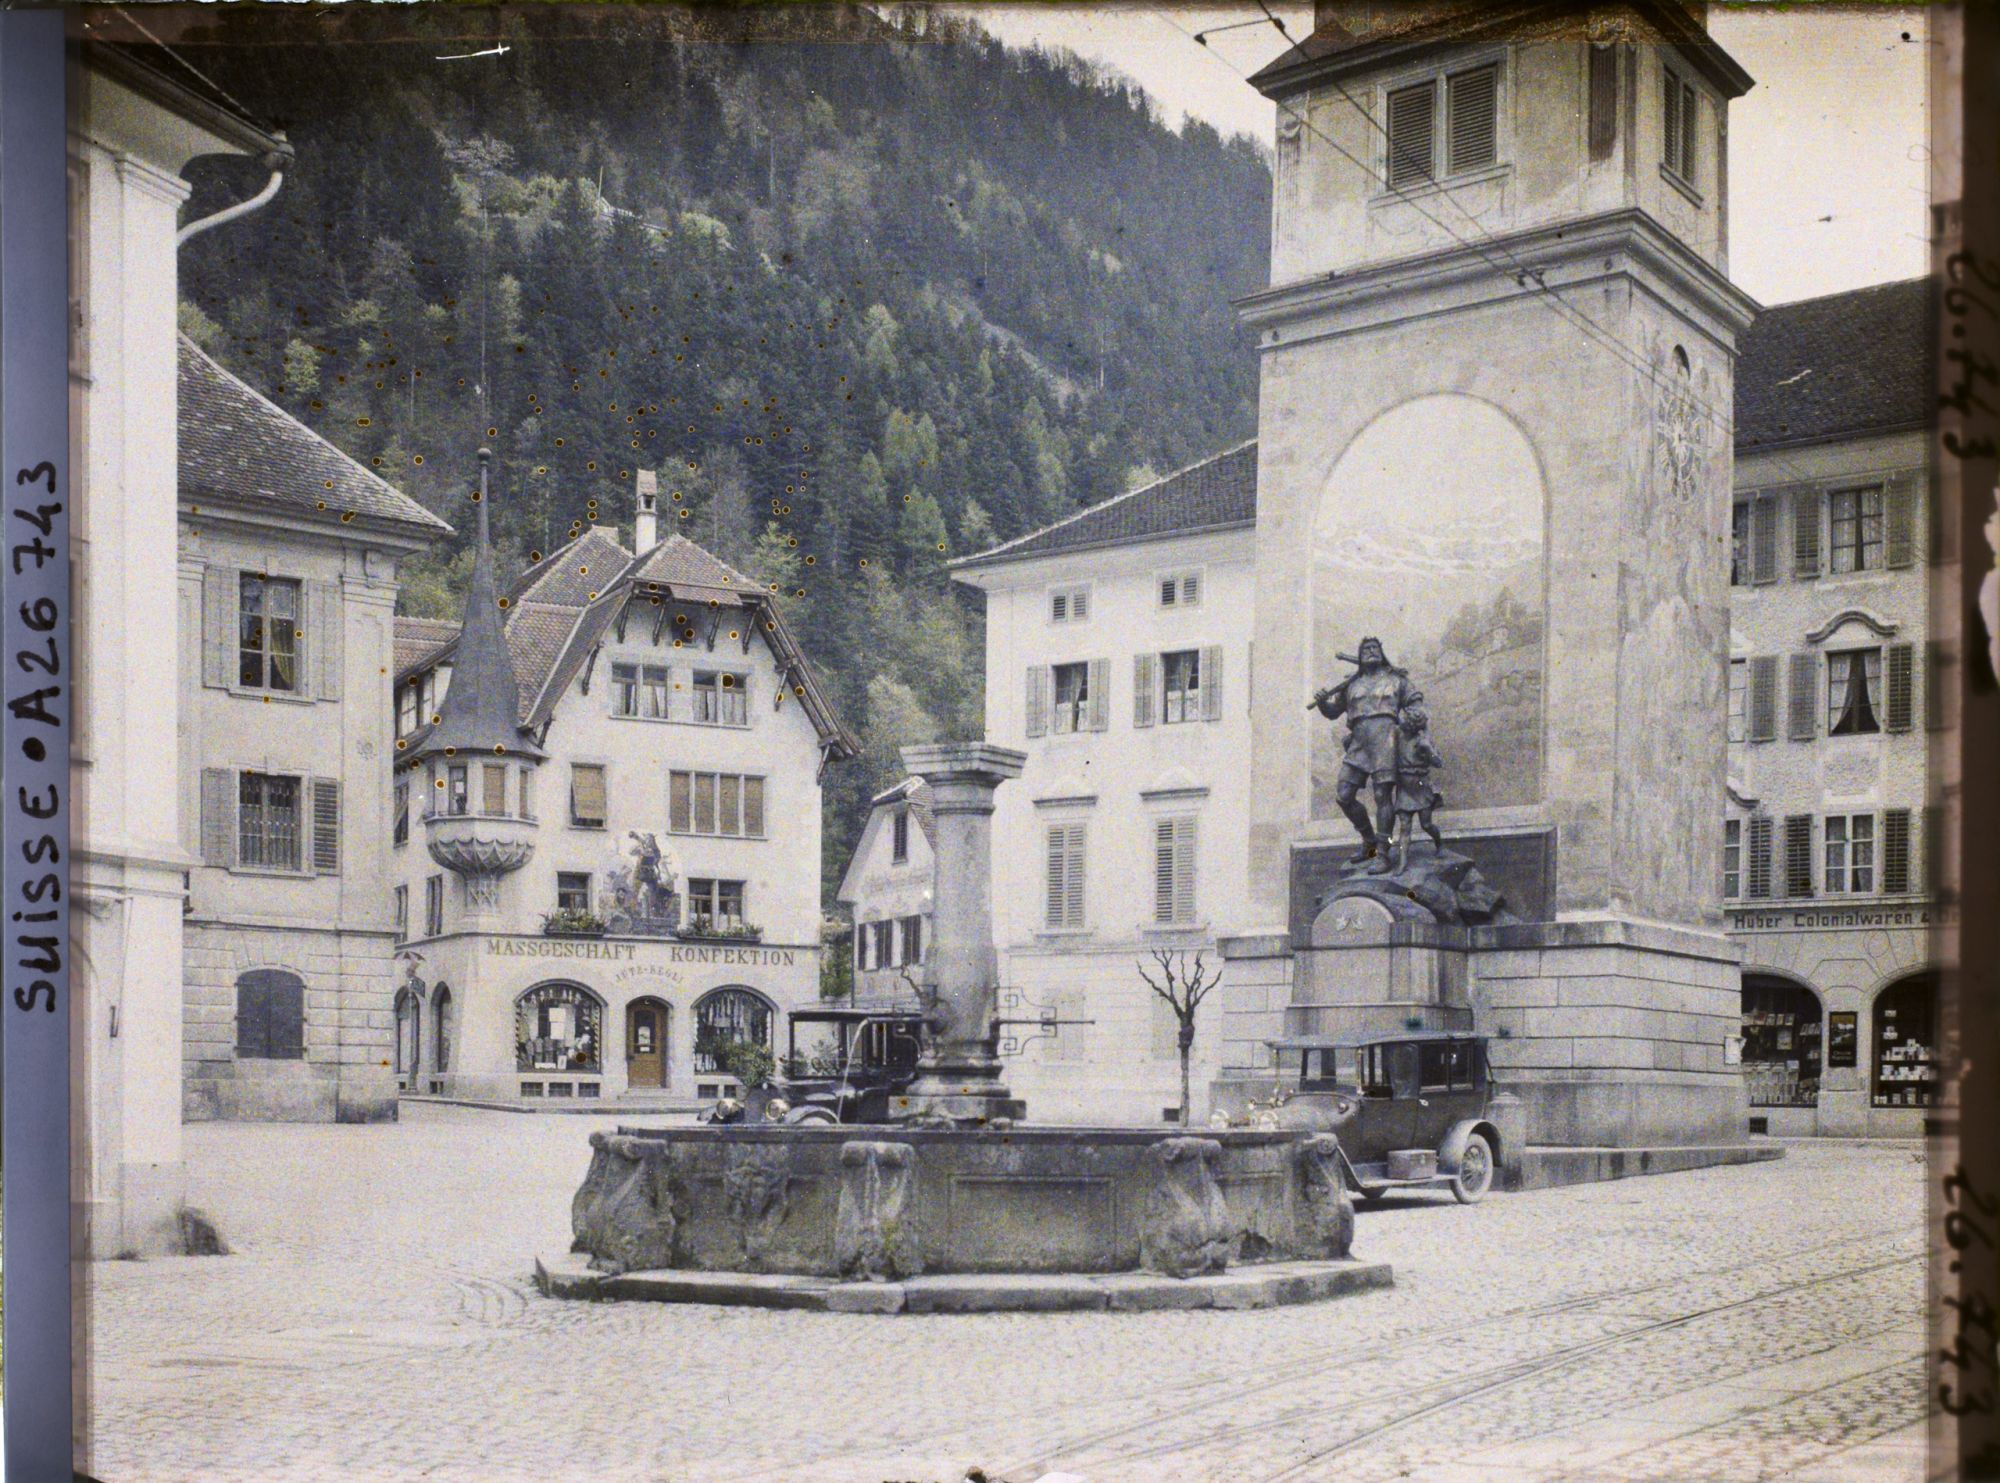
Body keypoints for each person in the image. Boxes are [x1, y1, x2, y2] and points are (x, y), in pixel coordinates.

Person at [1311, 636, 1416, 869]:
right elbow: (1333, 712)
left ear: (1382, 653)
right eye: (1366, 648)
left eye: (1375, 647)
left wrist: (1413, 722)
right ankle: (1369, 842)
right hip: (1358, 743)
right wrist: (1322, 703)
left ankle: (1383, 853)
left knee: (1382, 796)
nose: (1370, 651)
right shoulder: (1351, 684)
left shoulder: (1396, 679)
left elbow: (1415, 704)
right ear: (1359, 656)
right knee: (1344, 796)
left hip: (1386, 742)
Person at [1391, 697, 1446, 875]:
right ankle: (1403, 862)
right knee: (1404, 827)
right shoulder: (1398, 734)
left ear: (1412, 726)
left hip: (1421, 787)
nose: (1402, 721)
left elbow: (1439, 763)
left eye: (1405, 720)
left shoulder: (1423, 741)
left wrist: (1429, 750)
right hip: (1404, 788)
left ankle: (1439, 843)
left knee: (1426, 824)